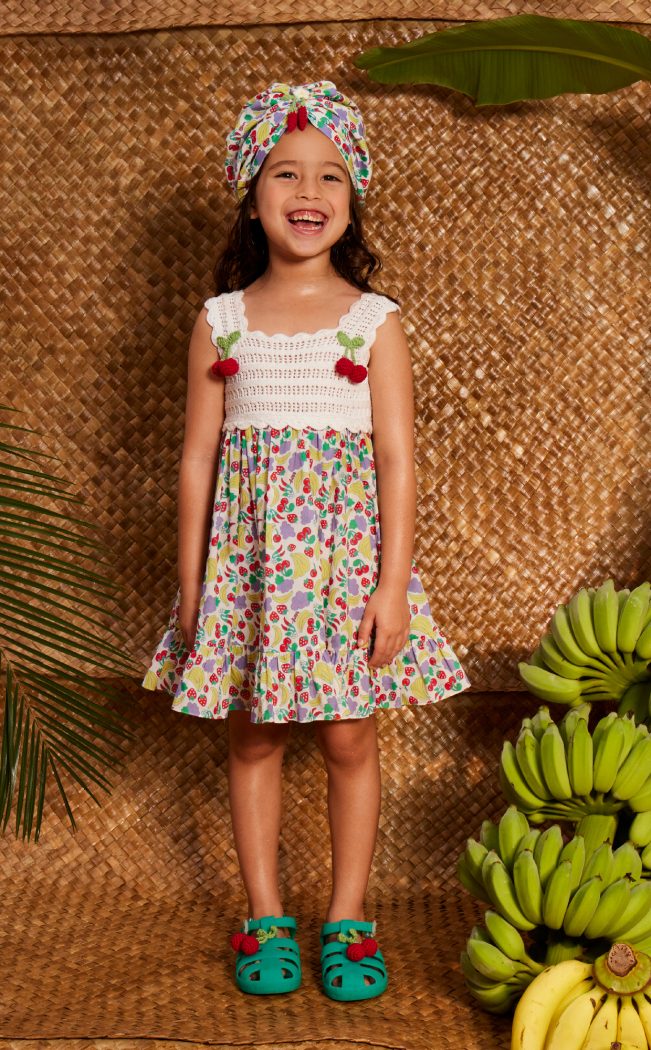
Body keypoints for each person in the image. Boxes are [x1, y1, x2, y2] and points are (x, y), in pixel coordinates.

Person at [141, 80, 471, 1002]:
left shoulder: (373, 322)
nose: (307, 190)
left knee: (349, 738)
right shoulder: (221, 321)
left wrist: (392, 588)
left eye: (329, 175)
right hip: (249, 577)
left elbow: (397, 459)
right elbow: (196, 460)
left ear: (351, 199)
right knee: (252, 740)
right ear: (252, 196)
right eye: (284, 173)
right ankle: (264, 917)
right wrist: (193, 586)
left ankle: (349, 918)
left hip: (342, 575)